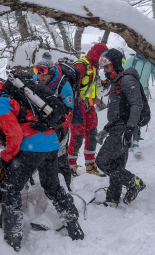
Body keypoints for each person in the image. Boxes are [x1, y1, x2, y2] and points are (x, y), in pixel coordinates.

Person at [0, 77, 84, 252]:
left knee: (10, 188)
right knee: (53, 187)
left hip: (32, 146)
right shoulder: (7, 96)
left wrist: (6, 156)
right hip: (50, 142)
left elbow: (13, 134)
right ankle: (73, 226)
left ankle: (13, 238)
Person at [95, 49, 147, 207]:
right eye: (103, 67)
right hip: (118, 127)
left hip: (123, 129)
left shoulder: (126, 80)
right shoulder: (117, 81)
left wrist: (130, 130)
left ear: (116, 64)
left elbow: (136, 105)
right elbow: (119, 110)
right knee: (116, 165)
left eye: (107, 67)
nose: (104, 71)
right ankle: (112, 199)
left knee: (102, 161)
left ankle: (134, 182)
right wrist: (106, 129)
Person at [32, 52, 74, 190]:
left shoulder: (63, 85)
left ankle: (68, 185)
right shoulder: (35, 79)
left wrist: (58, 127)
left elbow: (68, 112)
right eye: (38, 72)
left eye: (44, 74)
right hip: (42, 124)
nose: (40, 77)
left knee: (61, 158)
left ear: (51, 73)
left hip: (59, 126)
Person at [67, 43, 108, 177]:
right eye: (103, 57)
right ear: (98, 55)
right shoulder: (81, 66)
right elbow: (71, 88)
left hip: (89, 106)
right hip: (78, 106)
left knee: (92, 134)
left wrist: (103, 84)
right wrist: (75, 107)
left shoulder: (94, 66)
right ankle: (70, 167)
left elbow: (91, 84)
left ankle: (90, 165)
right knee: (77, 136)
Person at [123, 53, 155, 154]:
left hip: (143, 94)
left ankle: (135, 142)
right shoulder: (132, 60)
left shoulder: (151, 63)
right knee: (128, 116)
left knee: (138, 118)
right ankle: (125, 140)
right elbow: (122, 73)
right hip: (129, 93)